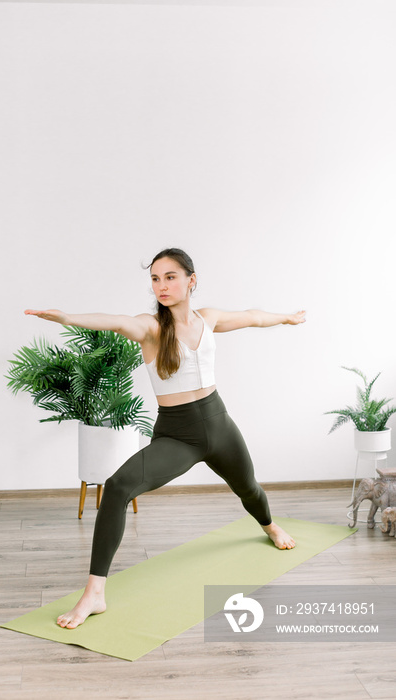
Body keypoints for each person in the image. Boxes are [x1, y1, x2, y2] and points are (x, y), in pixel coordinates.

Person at [25, 247, 306, 629]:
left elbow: (254, 316)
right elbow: (117, 322)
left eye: (170, 276)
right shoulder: (152, 328)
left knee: (250, 490)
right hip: (178, 435)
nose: (161, 285)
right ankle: (94, 593)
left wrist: (286, 318)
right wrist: (67, 317)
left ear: (191, 280)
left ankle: (269, 525)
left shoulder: (209, 318)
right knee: (119, 485)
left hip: (220, 425)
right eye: (155, 279)